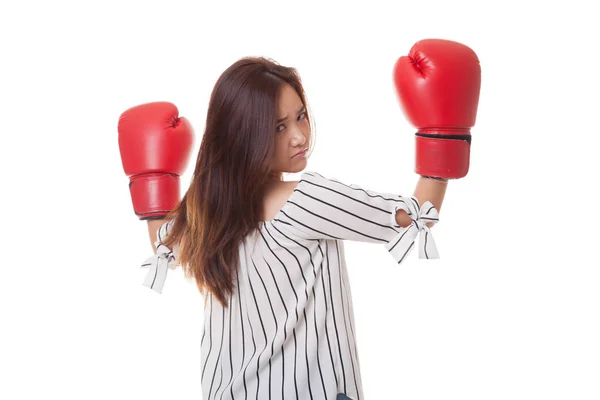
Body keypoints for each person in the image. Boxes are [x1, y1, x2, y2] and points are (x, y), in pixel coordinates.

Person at [118, 40, 480, 400]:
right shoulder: (306, 199)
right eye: (278, 127)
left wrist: (152, 178)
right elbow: (416, 217)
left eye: (300, 116)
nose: (298, 136)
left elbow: (163, 242)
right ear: (244, 136)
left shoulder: (205, 212)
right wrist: (444, 133)